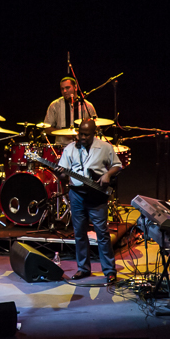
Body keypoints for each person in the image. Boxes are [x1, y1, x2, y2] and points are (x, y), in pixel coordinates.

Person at [56, 119, 122, 283]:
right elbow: (63, 174)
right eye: (80, 134)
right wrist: (59, 174)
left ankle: (109, 270)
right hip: (77, 194)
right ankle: (83, 269)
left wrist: (108, 174)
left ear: (94, 133)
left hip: (97, 195)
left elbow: (118, 165)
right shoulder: (70, 149)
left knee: (102, 233)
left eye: (86, 134)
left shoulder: (104, 147)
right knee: (79, 233)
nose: (82, 137)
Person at [44, 76, 97, 145]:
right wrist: (64, 133)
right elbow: (47, 128)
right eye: (62, 89)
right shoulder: (55, 105)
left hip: (83, 146)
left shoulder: (87, 106)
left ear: (75, 87)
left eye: (67, 88)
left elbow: (96, 126)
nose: (64, 91)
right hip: (62, 147)